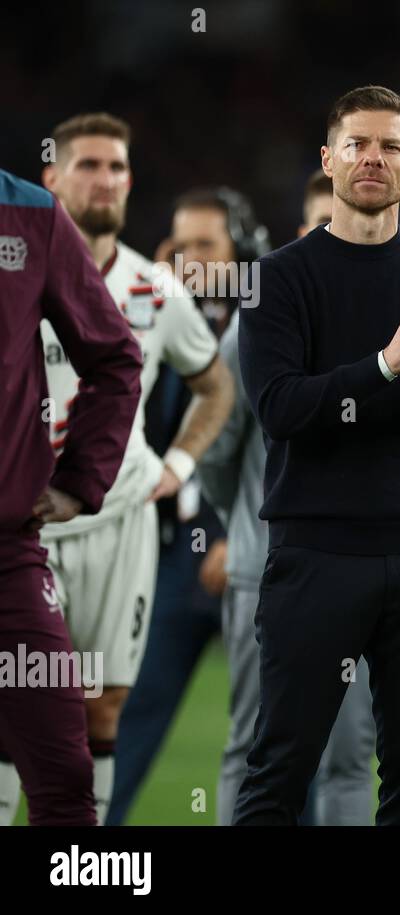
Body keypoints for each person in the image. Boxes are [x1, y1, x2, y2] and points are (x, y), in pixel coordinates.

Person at [234, 85, 400, 825]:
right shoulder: (280, 278)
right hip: (317, 551)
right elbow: (280, 409)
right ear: (328, 159)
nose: (372, 158)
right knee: (279, 773)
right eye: (357, 144)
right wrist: (387, 364)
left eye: (388, 146)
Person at [0, 114, 233, 826]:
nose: (104, 180)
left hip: (107, 514)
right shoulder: (28, 244)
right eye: (89, 166)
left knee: (95, 703)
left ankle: (91, 854)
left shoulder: (155, 289)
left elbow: (214, 382)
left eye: (117, 168)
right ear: (53, 176)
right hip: (25, 520)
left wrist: (178, 465)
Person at [198, 171, 376, 826]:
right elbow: (214, 457)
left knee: (348, 755)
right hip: (265, 571)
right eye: (324, 221)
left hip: (360, 577)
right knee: (255, 749)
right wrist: (244, 528)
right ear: (302, 233)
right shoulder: (251, 328)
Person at [107, 185, 270, 825]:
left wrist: (241, 531)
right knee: (122, 721)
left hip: (258, 552)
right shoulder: (148, 317)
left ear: (244, 252)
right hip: (171, 556)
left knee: (280, 742)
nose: (192, 258)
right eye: (183, 246)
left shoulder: (276, 322)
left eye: (209, 244)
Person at [0, 165, 142, 826]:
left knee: (63, 774)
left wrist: (79, 481)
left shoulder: (29, 213)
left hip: (9, 561)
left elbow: (115, 357)